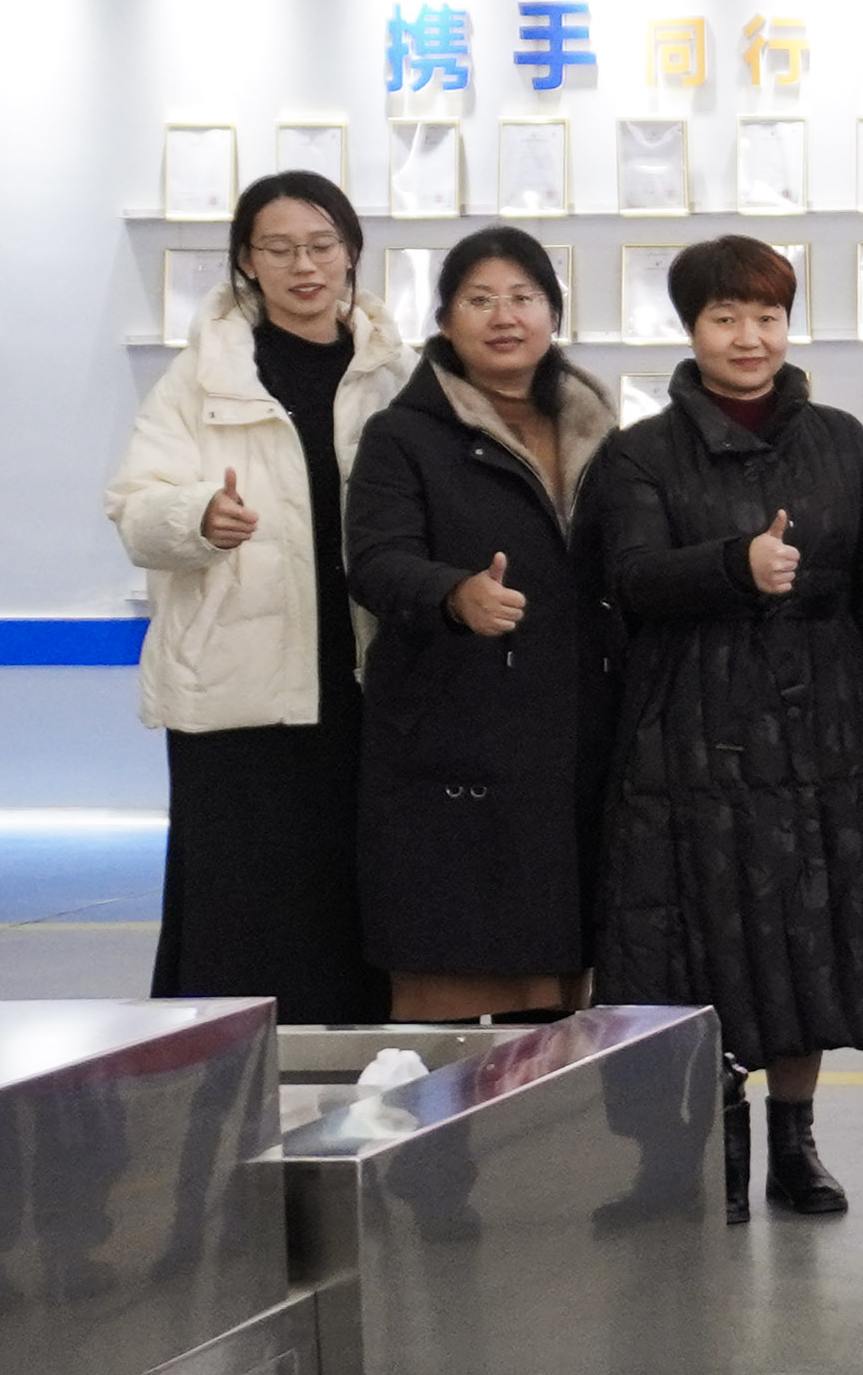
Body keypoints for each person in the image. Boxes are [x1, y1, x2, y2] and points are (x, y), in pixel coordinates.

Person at [590, 234, 863, 1222]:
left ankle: (796, 1144)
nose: (749, 337)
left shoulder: (840, 443)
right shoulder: (640, 453)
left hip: (821, 723)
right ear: (689, 328)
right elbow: (629, 580)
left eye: (767, 316)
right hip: (688, 731)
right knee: (702, 942)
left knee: (809, 935)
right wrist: (731, 566)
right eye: (725, 317)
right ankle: (713, 1148)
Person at [104, 170, 410, 1022]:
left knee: (356, 892)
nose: (303, 266)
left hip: (365, 683)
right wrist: (197, 516)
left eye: (320, 246)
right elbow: (135, 510)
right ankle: (226, 1069)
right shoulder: (198, 380)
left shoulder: (396, 375)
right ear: (246, 259)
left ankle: (359, 1061)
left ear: (350, 252)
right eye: (279, 249)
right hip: (237, 686)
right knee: (239, 900)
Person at [347, 228, 620, 1025]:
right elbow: (375, 561)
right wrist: (453, 594)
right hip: (455, 734)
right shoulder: (402, 436)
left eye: (524, 298)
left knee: (562, 980)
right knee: (451, 975)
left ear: (553, 314)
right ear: (444, 320)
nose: (505, 317)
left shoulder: (600, 433)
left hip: (577, 731)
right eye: (480, 300)